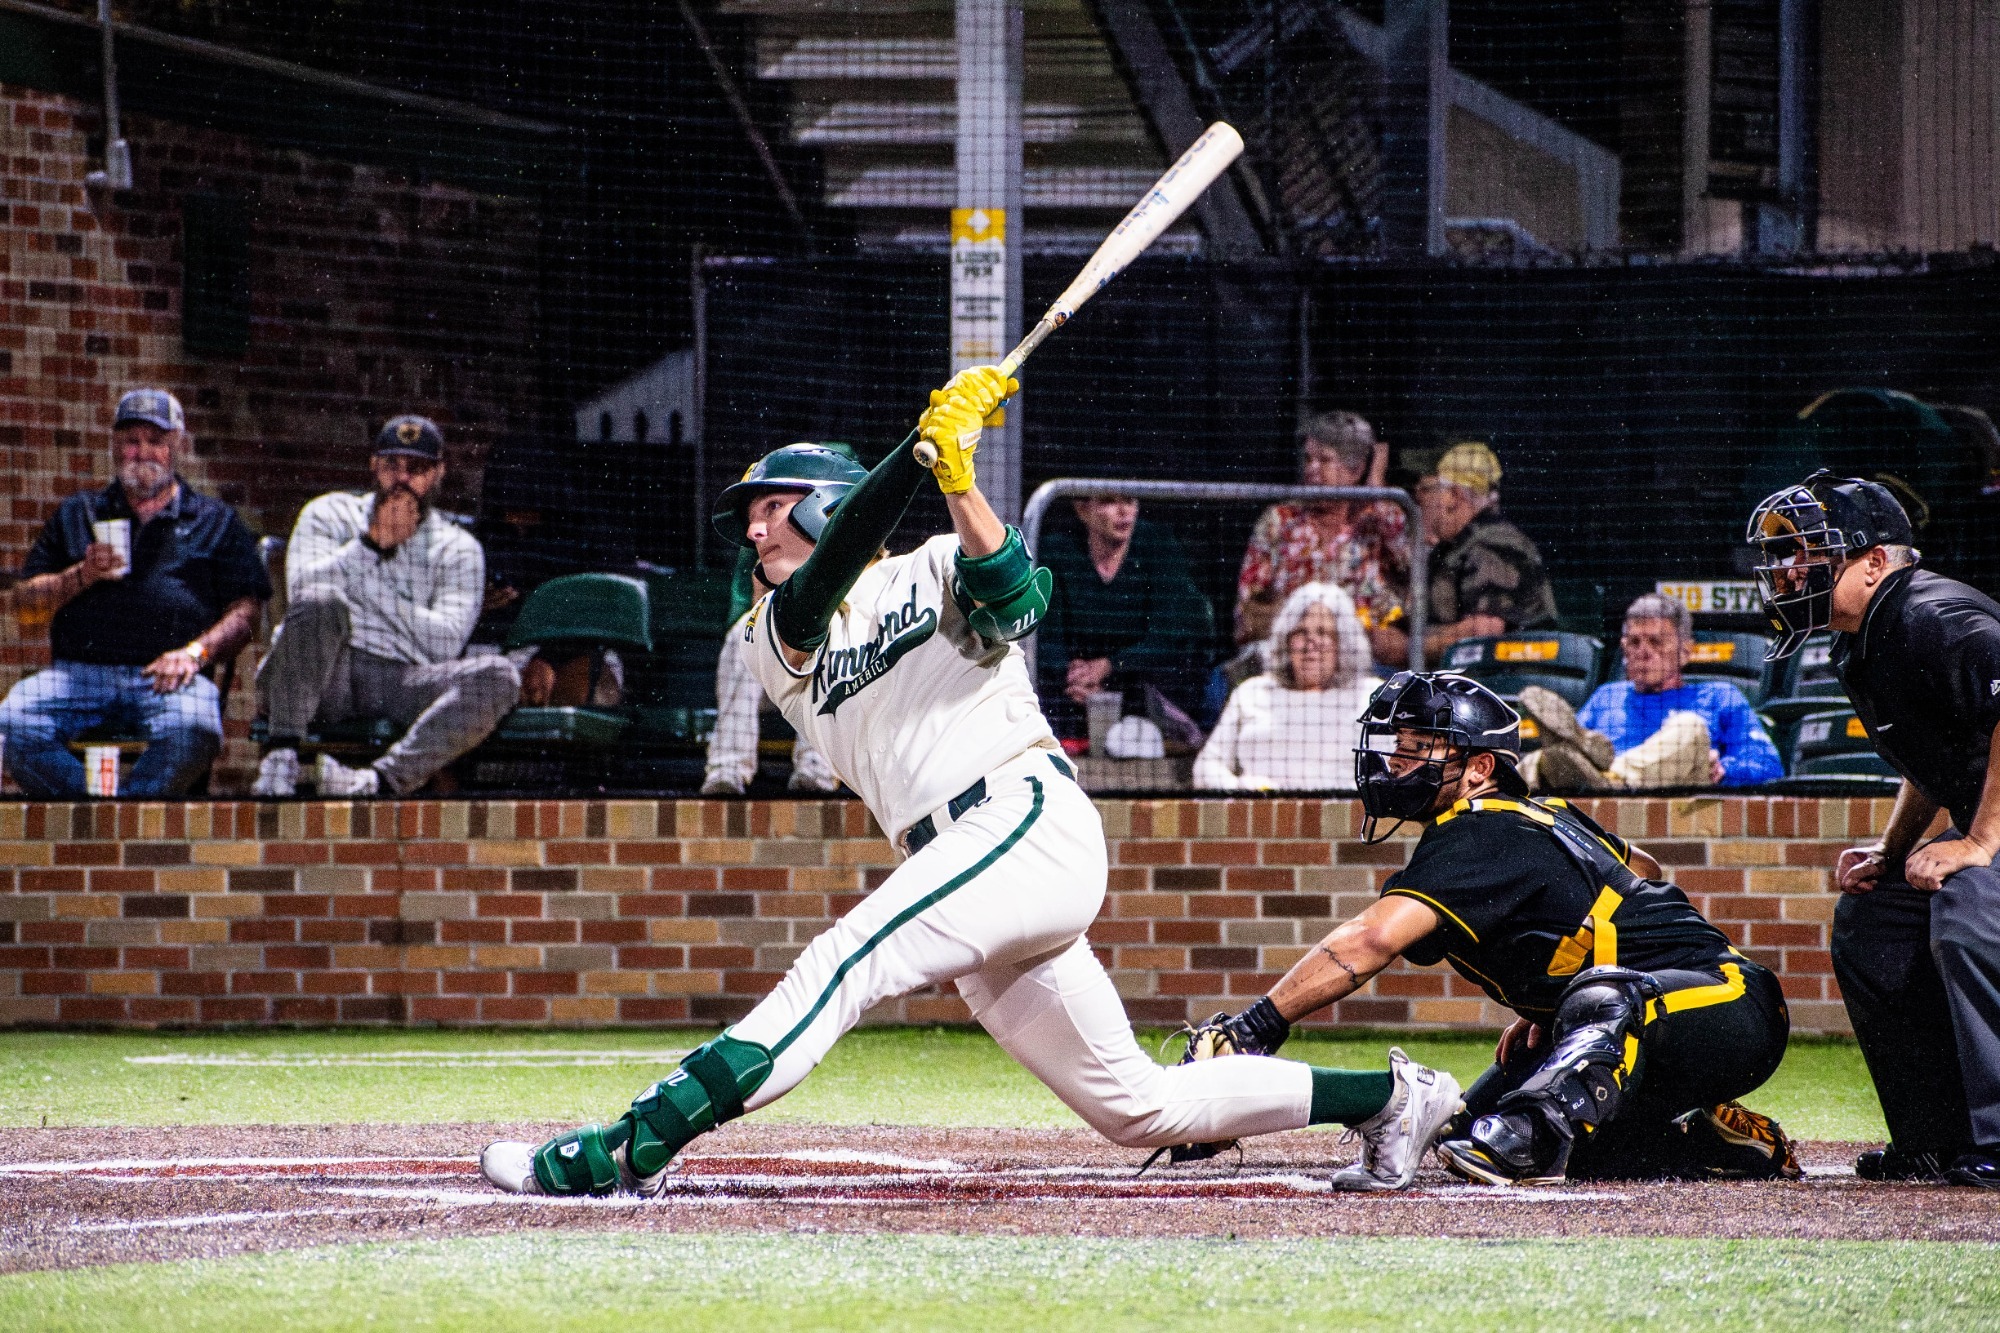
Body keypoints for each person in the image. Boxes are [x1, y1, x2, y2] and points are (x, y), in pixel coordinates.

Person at [480, 368, 1456, 1199]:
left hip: (1021, 816)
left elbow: (1020, 596)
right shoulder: (767, 635)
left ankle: (631, 1145)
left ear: (822, 500)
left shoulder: (937, 560)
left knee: (839, 961)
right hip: (967, 859)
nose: (751, 532)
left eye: (770, 506)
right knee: (1134, 1106)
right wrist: (917, 448)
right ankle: (1387, 1099)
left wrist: (954, 476)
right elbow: (820, 587)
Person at [1177, 672, 1798, 1187]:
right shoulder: (1532, 814)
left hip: (1731, 1003)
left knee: (1573, 1049)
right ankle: (1713, 1140)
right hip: (1662, 1010)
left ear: (1477, 768)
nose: (1395, 760)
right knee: (1468, 1132)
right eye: (1398, 745)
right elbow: (1646, 870)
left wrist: (1256, 1025)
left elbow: (1370, 941)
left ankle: (1554, 1114)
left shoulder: (1480, 826)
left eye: (1418, 747)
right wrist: (1568, 1006)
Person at [1749, 470, 2000, 1187]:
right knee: (1876, 916)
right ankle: (1936, 1137)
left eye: (1806, 550)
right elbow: (1933, 754)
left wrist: (1978, 842)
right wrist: (1891, 853)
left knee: (1970, 906)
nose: (1788, 569)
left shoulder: (1930, 613)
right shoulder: (1866, 637)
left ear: (1874, 560)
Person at [0, 388, 268, 797]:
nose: (142, 452)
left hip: (167, 676)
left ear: (177, 444)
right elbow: (23, 607)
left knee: (196, 725)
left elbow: (247, 613)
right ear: (114, 445)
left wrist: (195, 654)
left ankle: (120, 815)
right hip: (77, 674)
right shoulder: (80, 512)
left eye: (156, 441)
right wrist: (81, 575)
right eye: (131, 440)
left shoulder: (215, 520)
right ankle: (105, 812)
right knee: (12, 722)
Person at [250, 416, 519, 798]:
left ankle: (378, 782)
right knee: (320, 601)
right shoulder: (329, 513)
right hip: (321, 670)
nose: (402, 479)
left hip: (399, 679)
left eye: (418, 468)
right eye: (392, 465)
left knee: (498, 676)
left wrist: (361, 591)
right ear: (374, 466)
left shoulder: (458, 547)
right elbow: (301, 594)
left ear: (438, 473)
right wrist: (370, 547)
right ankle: (282, 756)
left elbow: (443, 644)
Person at [1515, 594, 1783, 792]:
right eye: (1634, 642)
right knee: (1544, 759)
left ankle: (1611, 778)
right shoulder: (1607, 697)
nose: (1643, 652)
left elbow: (1769, 766)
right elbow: (1573, 761)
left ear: (1686, 651)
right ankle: (1511, 786)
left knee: (1690, 728)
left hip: (1678, 794)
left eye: (1656, 642)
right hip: (1607, 802)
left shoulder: (1720, 696)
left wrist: (1725, 768)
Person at [1233, 411, 1410, 666]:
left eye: (1324, 460)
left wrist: (1376, 489)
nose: (1311, 470)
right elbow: (1245, 617)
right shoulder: (1279, 521)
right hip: (1289, 658)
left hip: (1364, 661)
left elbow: (1410, 568)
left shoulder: (1380, 520)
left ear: (1356, 470)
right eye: (1308, 459)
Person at [1036, 493, 1213, 743]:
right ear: (1083, 510)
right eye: (1108, 502)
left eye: (1130, 502)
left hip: (1141, 679)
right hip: (1077, 687)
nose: (1124, 512)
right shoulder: (1057, 550)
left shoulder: (1157, 544)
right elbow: (1046, 634)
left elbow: (1168, 635)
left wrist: (1107, 666)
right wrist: (1073, 675)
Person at [1193, 582, 1377, 792]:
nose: (1311, 644)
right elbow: (1206, 766)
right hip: (1262, 817)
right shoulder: (1251, 693)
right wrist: (1242, 790)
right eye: (1301, 633)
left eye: (1323, 633)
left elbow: (1393, 772)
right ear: (1286, 641)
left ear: (1343, 643)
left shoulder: (1372, 697)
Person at [703, 531, 840, 796]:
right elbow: (746, 610)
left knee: (831, 633)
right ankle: (727, 769)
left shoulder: (825, 536)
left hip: (813, 669)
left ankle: (816, 769)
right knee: (743, 632)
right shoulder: (756, 542)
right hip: (764, 672)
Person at [1416, 441, 1557, 664]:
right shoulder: (1451, 547)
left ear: (1452, 495)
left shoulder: (1495, 545)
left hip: (1505, 680)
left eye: (1427, 490)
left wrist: (1408, 647)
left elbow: (1484, 634)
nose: (1421, 500)